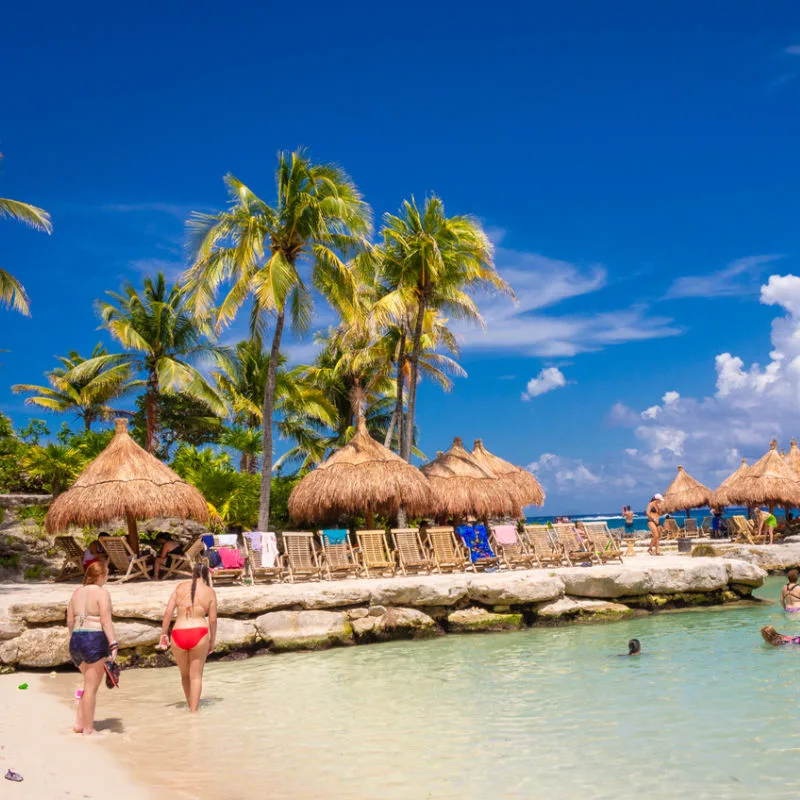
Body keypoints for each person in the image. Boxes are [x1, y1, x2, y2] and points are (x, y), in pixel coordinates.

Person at [66, 561, 118, 735]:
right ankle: (89, 729)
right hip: (94, 639)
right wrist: (113, 643)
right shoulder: (102, 593)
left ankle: (79, 723)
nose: (108, 577)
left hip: (76, 640)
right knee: (91, 689)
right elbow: (105, 621)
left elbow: (70, 621)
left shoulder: (76, 593)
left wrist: (75, 637)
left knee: (87, 684)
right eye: (107, 574)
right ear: (101, 576)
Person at [158, 562, 217, 712]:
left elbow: (168, 613)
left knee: (185, 675)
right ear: (206, 575)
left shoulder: (179, 587)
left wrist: (163, 634)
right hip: (199, 633)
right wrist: (212, 641)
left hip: (178, 633)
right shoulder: (209, 592)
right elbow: (212, 620)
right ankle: (193, 712)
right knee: (196, 676)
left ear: (192, 574)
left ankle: (190, 705)